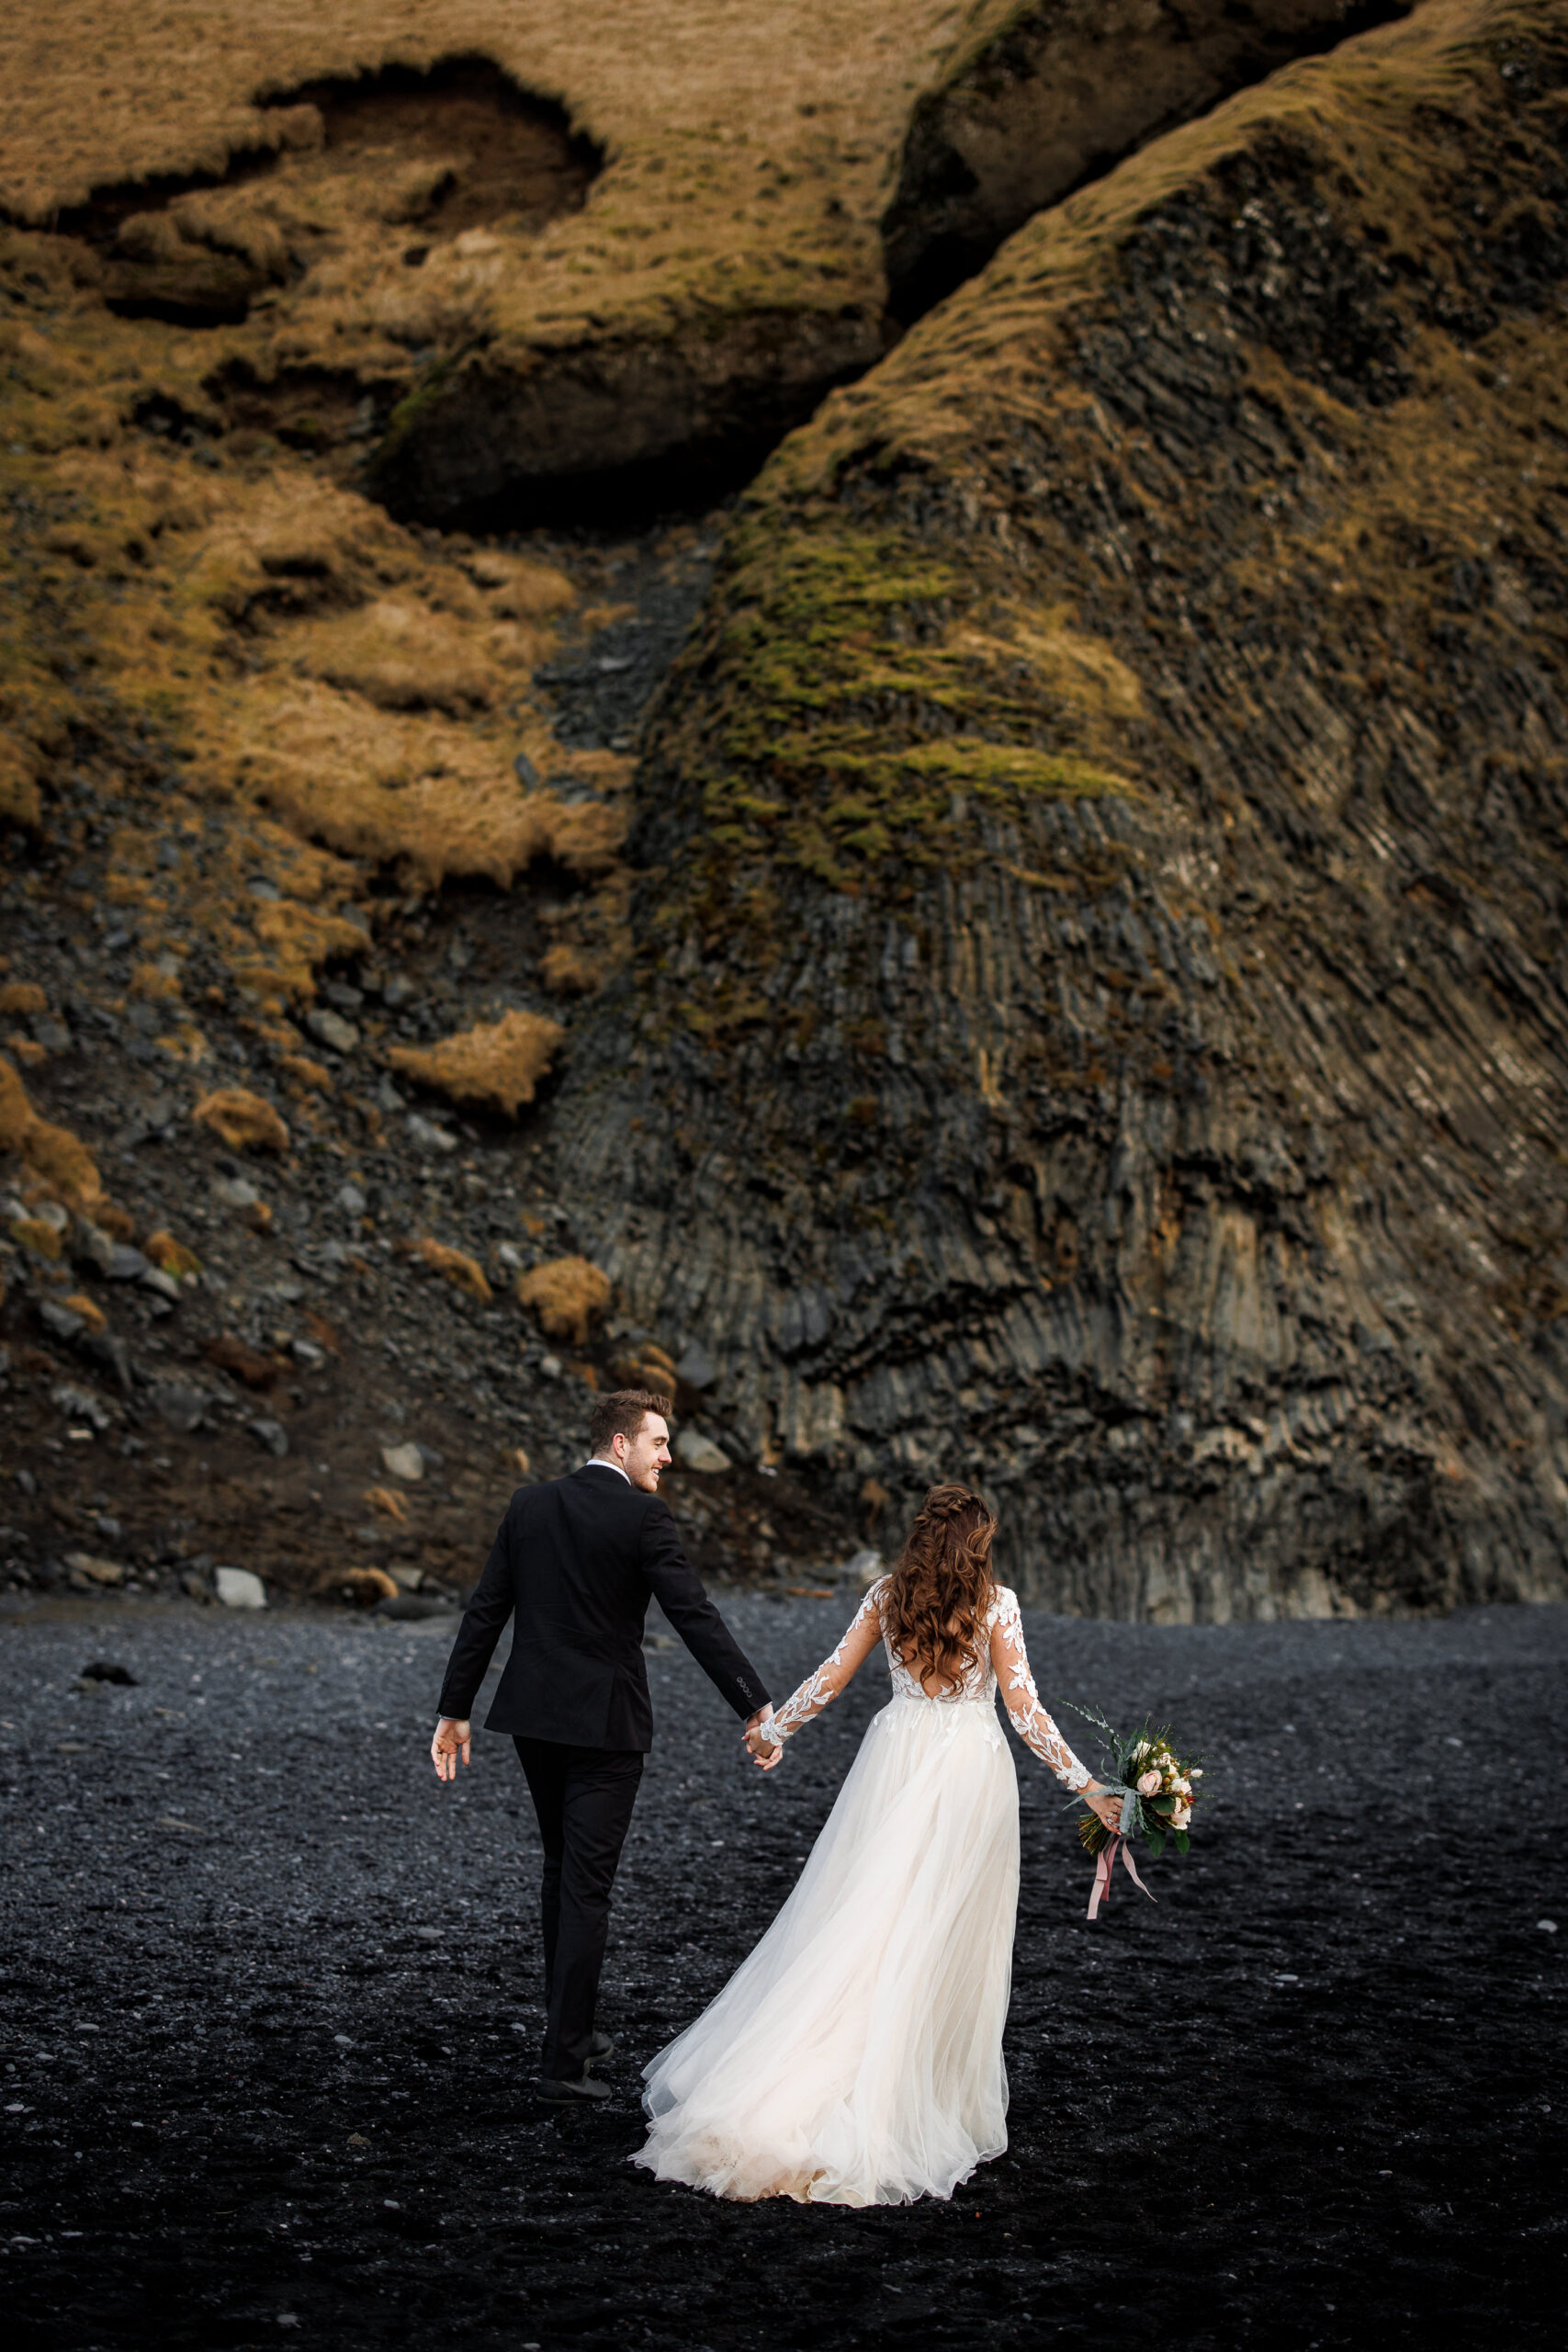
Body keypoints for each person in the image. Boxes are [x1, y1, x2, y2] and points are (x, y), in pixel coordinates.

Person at [632, 1482, 1123, 2205]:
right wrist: (1088, 1788)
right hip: (965, 1768)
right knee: (940, 1931)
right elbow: (1025, 1711)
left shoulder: (886, 1595)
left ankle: (816, 2076)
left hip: (893, 1756)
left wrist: (773, 1730)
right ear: (976, 1543)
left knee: (869, 1912)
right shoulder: (997, 1603)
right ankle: (914, 2099)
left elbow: (832, 1676)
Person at [430, 1388, 775, 2104]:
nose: (668, 1457)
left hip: (532, 1718)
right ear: (620, 1444)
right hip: (606, 1728)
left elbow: (487, 1607)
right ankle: (562, 2063)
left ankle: (574, 2032)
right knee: (585, 1886)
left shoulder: (530, 1504)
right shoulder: (643, 1515)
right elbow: (693, 1614)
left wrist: (454, 1708)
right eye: (658, 1443)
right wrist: (754, 1703)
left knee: (563, 1873)